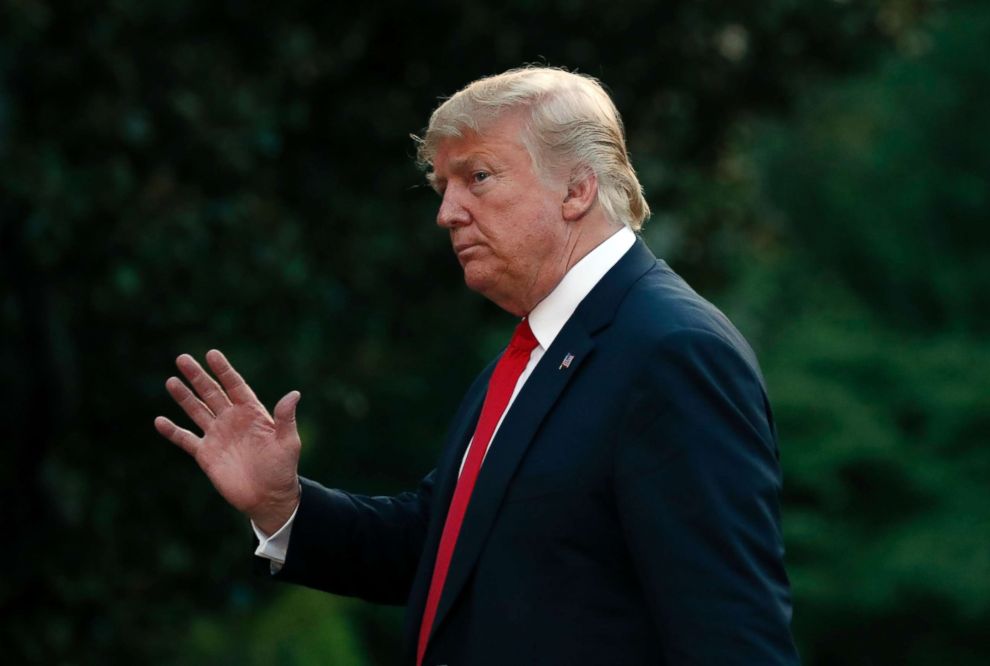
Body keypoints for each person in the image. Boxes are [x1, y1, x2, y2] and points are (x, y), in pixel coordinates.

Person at [155, 66, 800, 665]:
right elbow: (436, 551)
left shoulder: (673, 351)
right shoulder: (533, 355)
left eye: (478, 177)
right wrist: (281, 505)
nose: (447, 212)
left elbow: (732, 633)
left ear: (577, 188)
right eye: (443, 187)